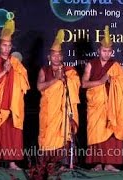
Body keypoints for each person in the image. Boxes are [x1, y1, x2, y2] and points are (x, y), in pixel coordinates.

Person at [82, 25, 123, 172]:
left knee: (111, 132)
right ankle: (97, 164)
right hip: (96, 105)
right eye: (104, 50)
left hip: (111, 106)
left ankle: (109, 164)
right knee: (96, 132)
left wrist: (115, 81)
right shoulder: (91, 64)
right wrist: (101, 81)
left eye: (109, 51)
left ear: (112, 52)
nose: (106, 54)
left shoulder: (116, 66)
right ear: (99, 50)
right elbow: (84, 83)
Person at [0, 18, 30, 170]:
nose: (6, 48)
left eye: (9, 46)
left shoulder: (16, 63)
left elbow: (24, 82)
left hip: (13, 103)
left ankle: (12, 162)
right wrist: (4, 71)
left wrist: (12, 70)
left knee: (12, 132)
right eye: (4, 45)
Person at [37, 29, 80, 165]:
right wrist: (55, 79)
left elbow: (76, 86)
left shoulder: (70, 71)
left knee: (65, 133)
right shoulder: (44, 70)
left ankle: (64, 163)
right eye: (53, 55)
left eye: (59, 55)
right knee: (47, 135)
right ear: (49, 57)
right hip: (49, 112)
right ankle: (48, 163)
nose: (56, 58)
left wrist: (65, 79)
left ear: (62, 56)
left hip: (64, 112)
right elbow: (39, 86)